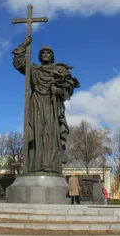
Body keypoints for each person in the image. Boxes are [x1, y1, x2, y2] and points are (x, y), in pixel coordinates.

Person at [12, 35, 80, 174]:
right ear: (39, 56)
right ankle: (35, 165)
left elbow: (69, 87)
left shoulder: (59, 70)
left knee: (50, 132)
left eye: (48, 53)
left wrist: (58, 90)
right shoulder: (34, 70)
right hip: (36, 103)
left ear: (52, 56)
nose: (46, 54)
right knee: (37, 133)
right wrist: (24, 45)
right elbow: (18, 63)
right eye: (43, 53)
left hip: (51, 104)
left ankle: (49, 164)